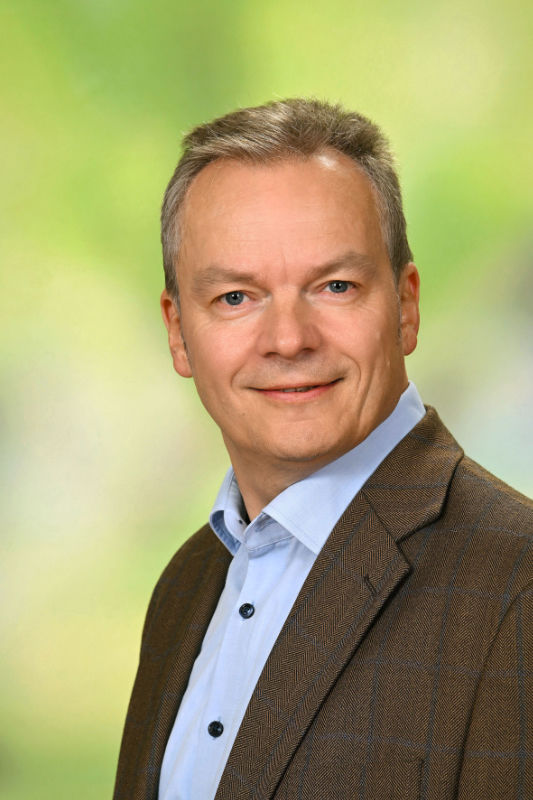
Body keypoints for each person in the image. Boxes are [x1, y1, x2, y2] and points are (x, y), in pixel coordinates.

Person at [113, 99, 532, 800]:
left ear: (405, 306)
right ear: (178, 331)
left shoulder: (516, 589)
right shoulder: (184, 585)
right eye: (236, 297)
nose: (288, 339)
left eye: (335, 286)